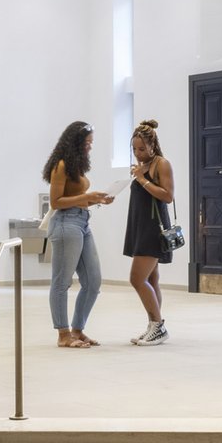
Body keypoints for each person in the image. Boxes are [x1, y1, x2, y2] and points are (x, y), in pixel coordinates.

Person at [42, 121, 114, 347]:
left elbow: (77, 200)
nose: (90, 147)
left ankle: (78, 330)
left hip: (82, 222)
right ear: (76, 142)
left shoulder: (76, 165)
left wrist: (96, 200)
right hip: (65, 224)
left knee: (93, 281)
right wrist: (86, 197)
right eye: (87, 143)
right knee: (62, 282)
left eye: (91, 142)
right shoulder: (61, 165)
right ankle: (63, 335)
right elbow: (56, 202)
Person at [122, 120, 175, 346]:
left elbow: (167, 195)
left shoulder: (161, 164)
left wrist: (142, 180)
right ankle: (154, 325)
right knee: (152, 279)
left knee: (137, 278)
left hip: (153, 228)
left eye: (142, 149)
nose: (137, 153)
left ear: (153, 145)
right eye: (134, 149)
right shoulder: (141, 166)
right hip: (140, 225)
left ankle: (158, 326)